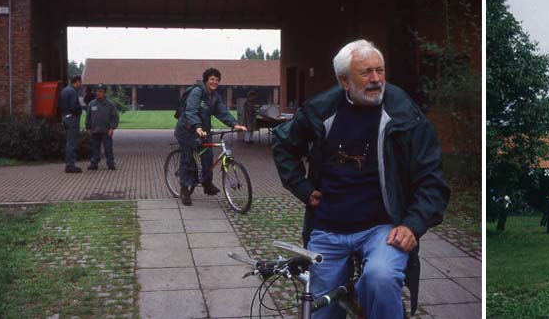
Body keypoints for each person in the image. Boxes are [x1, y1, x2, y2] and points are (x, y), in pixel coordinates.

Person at [271, 39, 449, 319]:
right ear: (344, 81)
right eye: (365, 73)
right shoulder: (322, 110)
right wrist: (302, 187)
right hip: (328, 227)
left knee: (379, 279)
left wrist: (412, 225)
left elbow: (432, 179)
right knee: (321, 310)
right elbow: (283, 143)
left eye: (380, 70)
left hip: (382, 228)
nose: (376, 79)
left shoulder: (405, 114)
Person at [175, 67, 248, 205]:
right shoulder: (197, 92)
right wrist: (197, 126)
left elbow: (222, 112)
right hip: (187, 130)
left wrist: (235, 124)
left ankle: (207, 184)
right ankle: (184, 190)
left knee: (208, 156)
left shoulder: (215, 96)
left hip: (202, 131)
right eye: (212, 79)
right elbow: (191, 111)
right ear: (206, 80)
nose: (214, 82)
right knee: (187, 160)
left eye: (217, 80)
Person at [84, 84, 119, 170]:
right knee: (95, 148)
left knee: (108, 148)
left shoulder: (110, 105)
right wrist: (88, 127)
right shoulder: (92, 104)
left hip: (106, 131)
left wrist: (112, 128)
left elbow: (115, 117)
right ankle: (94, 163)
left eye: (100, 92)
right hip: (95, 130)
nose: (98, 93)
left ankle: (110, 163)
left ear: (104, 93)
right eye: (97, 91)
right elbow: (88, 116)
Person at [60, 75, 84, 173]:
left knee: (68, 142)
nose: (80, 85)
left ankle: (69, 164)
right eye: (80, 82)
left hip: (65, 117)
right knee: (72, 143)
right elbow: (74, 106)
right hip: (72, 119)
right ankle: (70, 165)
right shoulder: (73, 92)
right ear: (77, 82)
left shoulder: (64, 90)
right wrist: (80, 110)